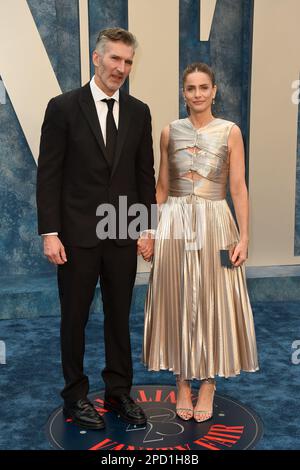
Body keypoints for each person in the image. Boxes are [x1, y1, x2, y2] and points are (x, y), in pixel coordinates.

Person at [36, 28, 156, 429]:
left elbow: (144, 175)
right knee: (75, 317)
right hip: (76, 237)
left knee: (119, 317)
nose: (121, 69)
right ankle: (75, 395)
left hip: (123, 233)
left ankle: (119, 392)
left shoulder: (139, 111)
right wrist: (49, 232)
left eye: (128, 62)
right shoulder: (63, 107)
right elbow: (49, 175)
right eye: (115, 59)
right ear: (96, 58)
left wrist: (146, 228)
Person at [142, 62, 259, 423]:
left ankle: (207, 383)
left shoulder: (230, 132)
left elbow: (238, 187)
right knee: (177, 298)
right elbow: (160, 189)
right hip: (175, 222)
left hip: (215, 222)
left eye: (203, 87)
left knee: (211, 298)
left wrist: (244, 236)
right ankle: (181, 382)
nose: (197, 94)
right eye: (190, 88)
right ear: (183, 92)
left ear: (214, 90)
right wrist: (147, 230)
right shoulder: (168, 132)